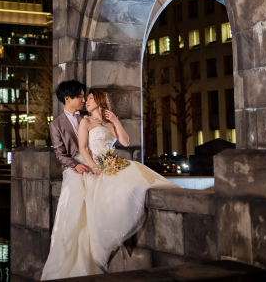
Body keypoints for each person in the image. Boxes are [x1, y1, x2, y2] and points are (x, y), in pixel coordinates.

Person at [42, 90, 180, 279]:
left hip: (111, 161)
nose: (86, 102)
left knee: (135, 174)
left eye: (90, 99)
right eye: (85, 99)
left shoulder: (109, 122)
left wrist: (115, 121)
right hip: (96, 165)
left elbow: (125, 142)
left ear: (99, 101)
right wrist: (94, 167)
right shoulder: (85, 121)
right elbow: (82, 148)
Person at [41, 80, 91, 281]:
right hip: (73, 167)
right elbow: (60, 154)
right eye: (80, 96)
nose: (83, 99)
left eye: (83, 96)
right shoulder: (56, 124)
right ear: (67, 98)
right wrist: (75, 165)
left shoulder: (87, 116)